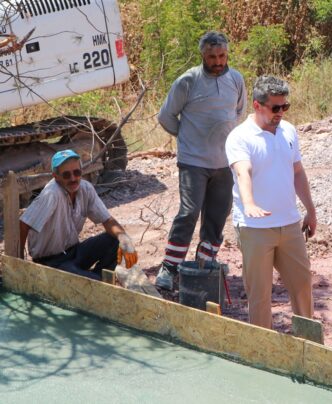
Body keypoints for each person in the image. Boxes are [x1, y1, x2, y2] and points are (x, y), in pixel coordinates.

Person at [155, 31, 247, 290]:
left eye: (222, 56)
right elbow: (166, 116)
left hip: (225, 161)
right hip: (193, 161)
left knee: (218, 214)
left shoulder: (236, 79)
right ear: (203, 56)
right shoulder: (188, 81)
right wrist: (186, 137)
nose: (218, 62)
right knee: (189, 212)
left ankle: (205, 264)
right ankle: (169, 268)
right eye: (212, 57)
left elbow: (238, 112)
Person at [225, 75, 316, 329]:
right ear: (257, 105)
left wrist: (310, 210)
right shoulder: (240, 137)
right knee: (260, 295)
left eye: (285, 106)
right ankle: (262, 349)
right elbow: (243, 171)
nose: (281, 112)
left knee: (302, 286)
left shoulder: (288, 131)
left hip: (289, 224)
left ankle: (308, 344)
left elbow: (297, 172)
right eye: (275, 107)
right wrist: (249, 203)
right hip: (255, 229)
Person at [19, 149, 138, 279]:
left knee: (114, 239)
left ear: (81, 171)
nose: (73, 178)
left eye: (76, 172)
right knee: (92, 281)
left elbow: (107, 220)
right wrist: (18, 261)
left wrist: (125, 239)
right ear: (56, 176)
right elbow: (24, 224)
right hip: (51, 262)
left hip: (74, 252)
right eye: (66, 175)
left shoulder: (86, 189)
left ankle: (99, 278)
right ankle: (95, 280)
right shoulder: (51, 194)